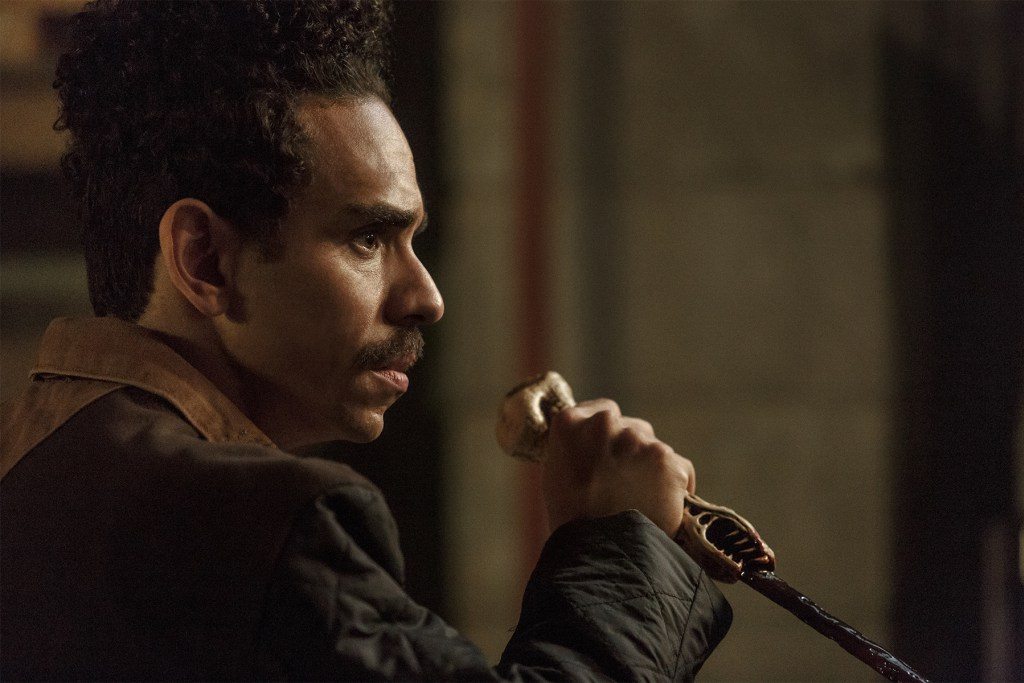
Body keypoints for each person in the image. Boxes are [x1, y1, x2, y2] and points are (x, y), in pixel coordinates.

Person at [0, 1, 732, 679]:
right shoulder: (265, 525)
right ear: (205, 260)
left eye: (412, 240)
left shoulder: (36, 468)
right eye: (368, 239)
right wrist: (618, 542)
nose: (427, 299)